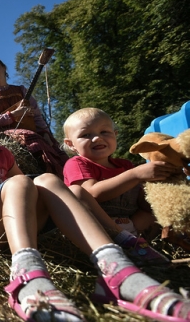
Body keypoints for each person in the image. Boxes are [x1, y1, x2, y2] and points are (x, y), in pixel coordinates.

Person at [0, 89, 190, 322]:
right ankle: (25, 273)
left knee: (46, 179)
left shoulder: (2, 153)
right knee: (22, 183)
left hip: (10, 222)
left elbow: (26, 192)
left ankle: (115, 267)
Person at [62, 107, 175, 265]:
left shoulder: (125, 165)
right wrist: (135, 175)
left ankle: (145, 244)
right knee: (77, 192)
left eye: (104, 132)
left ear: (115, 135)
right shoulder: (77, 163)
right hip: (98, 227)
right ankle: (126, 242)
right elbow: (92, 193)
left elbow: (143, 202)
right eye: (85, 135)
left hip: (131, 223)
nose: (97, 138)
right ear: (71, 144)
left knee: (156, 205)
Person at [0, 58, 69, 177]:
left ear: (4, 68)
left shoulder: (21, 90)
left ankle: (63, 178)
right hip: (3, 134)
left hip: (31, 129)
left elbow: (36, 115)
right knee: (32, 139)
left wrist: (45, 132)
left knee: (55, 148)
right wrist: (13, 115)